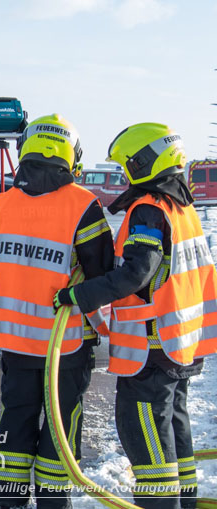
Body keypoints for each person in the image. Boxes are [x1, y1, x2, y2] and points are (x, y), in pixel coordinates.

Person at [54, 123, 217, 509]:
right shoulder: (182, 206)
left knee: (145, 434)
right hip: (182, 344)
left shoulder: (149, 209)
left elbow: (136, 274)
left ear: (145, 162)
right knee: (174, 426)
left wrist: (76, 295)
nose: (125, 173)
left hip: (151, 348)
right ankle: (186, 502)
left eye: (129, 165)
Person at [0, 114, 114, 509]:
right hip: (66, 343)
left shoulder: (1, 204)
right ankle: (53, 502)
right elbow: (101, 277)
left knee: (16, 418)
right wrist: (104, 328)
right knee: (62, 426)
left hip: (15, 339)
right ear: (71, 156)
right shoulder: (83, 206)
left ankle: (8, 500)